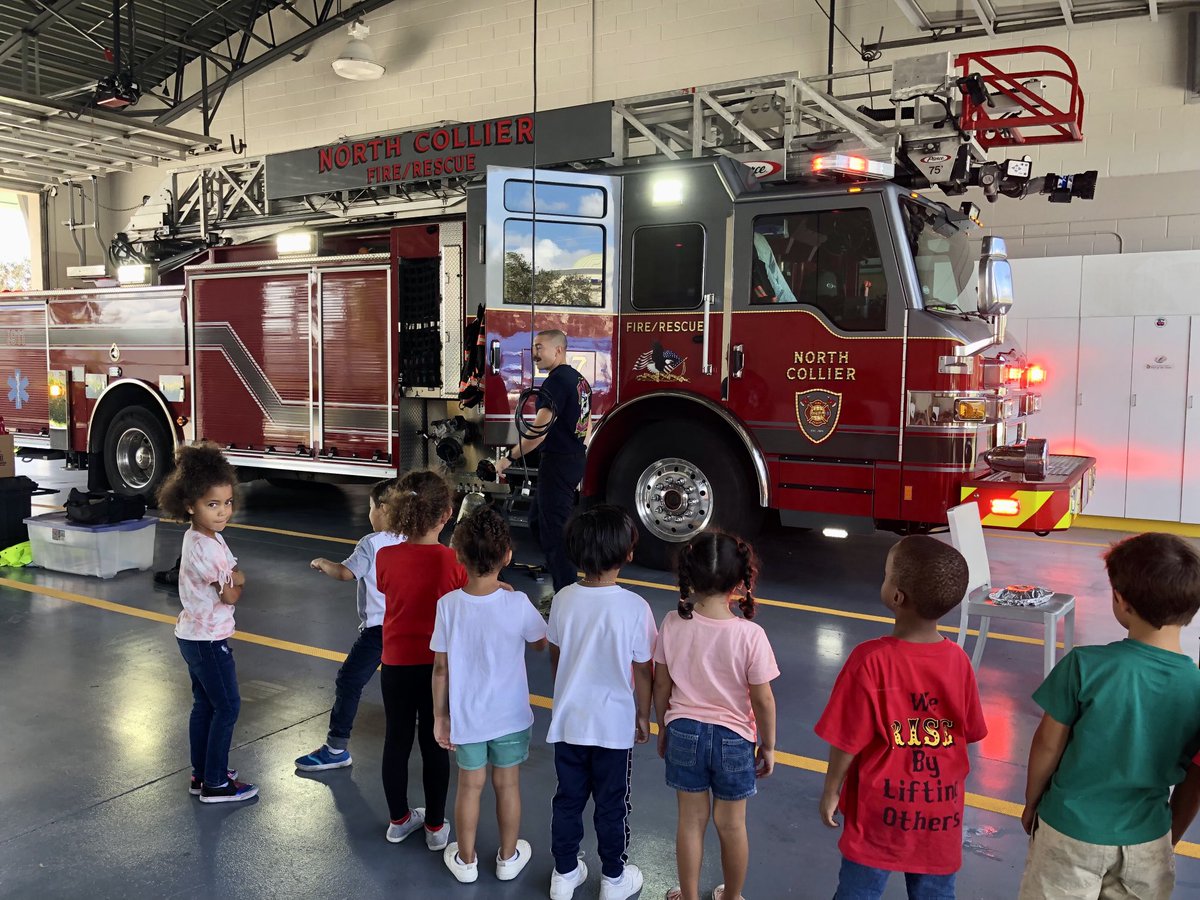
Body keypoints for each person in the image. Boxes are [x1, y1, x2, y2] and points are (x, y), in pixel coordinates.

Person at [1018, 532, 1200, 900]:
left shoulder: (1084, 666)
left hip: (1069, 831)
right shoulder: (1196, 687)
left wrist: (1032, 801)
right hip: (1147, 838)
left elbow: (1047, 745)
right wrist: (1167, 838)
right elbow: (1195, 779)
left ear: (1120, 600)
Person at [815, 535, 986, 899]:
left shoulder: (869, 660)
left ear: (897, 597)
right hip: (941, 815)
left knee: (858, 892)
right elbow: (966, 732)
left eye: (886, 574)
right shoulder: (959, 661)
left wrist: (832, 790)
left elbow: (847, 740)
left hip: (879, 814)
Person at [653, 531, 779, 900]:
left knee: (690, 823)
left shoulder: (672, 624)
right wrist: (768, 746)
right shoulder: (750, 635)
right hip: (735, 739)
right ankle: (732, 895)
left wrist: (664, 726)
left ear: (688, 576)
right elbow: (763, 700)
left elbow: (662, 685)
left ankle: (689, 896)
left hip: (684, 731)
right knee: (732, 825)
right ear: (741, 582)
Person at [431, 505, 548, 884]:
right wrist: (512, 599)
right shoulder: (516, 603)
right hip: (510, 716)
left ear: (458, 555)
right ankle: (508, 856)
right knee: (507, 785)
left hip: (468, 717)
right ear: (508, 556)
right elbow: (540, 643)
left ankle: (465, 861)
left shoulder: (448, 606)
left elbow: (441, 668)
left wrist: (440, 716)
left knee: (469, 786)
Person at [547, 505, 657, 900]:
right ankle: (613, 877)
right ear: (627, 554)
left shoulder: (562, 600)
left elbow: (556, 656)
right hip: (614, 727)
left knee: (568, 798)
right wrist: (643, 715)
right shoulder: (634, 607)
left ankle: (564, 873)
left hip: (569, 722)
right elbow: (643, 669)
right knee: (612, 804)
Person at [158, 442, 257, 804]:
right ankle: (215, 782)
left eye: (227, 503)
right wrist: (239, 578)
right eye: (212, 505)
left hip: (192, 634)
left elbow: (230, 579)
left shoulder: (199, 538)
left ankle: (202, 772)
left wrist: (234, 577)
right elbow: (231, 592)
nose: (222, 512)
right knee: (228, 706)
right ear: (189, 505)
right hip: (210, 640)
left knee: (205, 704)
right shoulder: (211, 548)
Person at [374, 469, 465, 849]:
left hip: (394, 663)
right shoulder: (451, 561)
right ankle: (435, 827)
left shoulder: (386, 557)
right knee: (434, 743)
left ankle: (398, 820)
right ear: (446, 515)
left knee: (396, 740)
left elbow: (385, 587)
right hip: (436, 668)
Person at [295, 478, 403, 772]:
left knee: (349, 681)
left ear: (381, 508)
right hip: (408, 628)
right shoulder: (413, 538)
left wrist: (323, 563)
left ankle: (336, 748)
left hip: (379, 630)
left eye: (370, 507)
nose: (369, 514)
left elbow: (346, 573)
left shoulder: (372, 542)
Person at [494, 329, 591, 599]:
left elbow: (539, 431)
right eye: (534, 347)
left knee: (554, 533)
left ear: (558, 350)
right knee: (538, 520)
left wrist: (508, 457)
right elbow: (588, 422)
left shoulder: (556, 383)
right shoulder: (579, 380)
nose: (535, 353)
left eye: (540, 347)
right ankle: (557, 567)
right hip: (572, 460)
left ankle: (566, 595)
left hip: (558, 463)